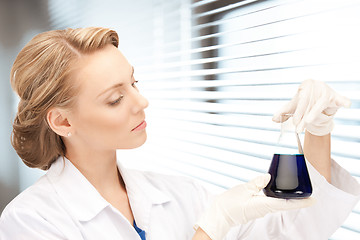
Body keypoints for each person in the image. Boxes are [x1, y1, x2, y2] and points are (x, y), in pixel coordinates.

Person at [0, 27, 359, 240]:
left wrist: (317, 131)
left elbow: (294, 231)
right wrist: (210, 228)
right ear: (63, 122)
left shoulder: (178, 193)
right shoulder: (31, 221)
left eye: (134, 82)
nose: (142, 101)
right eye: (114, 98)